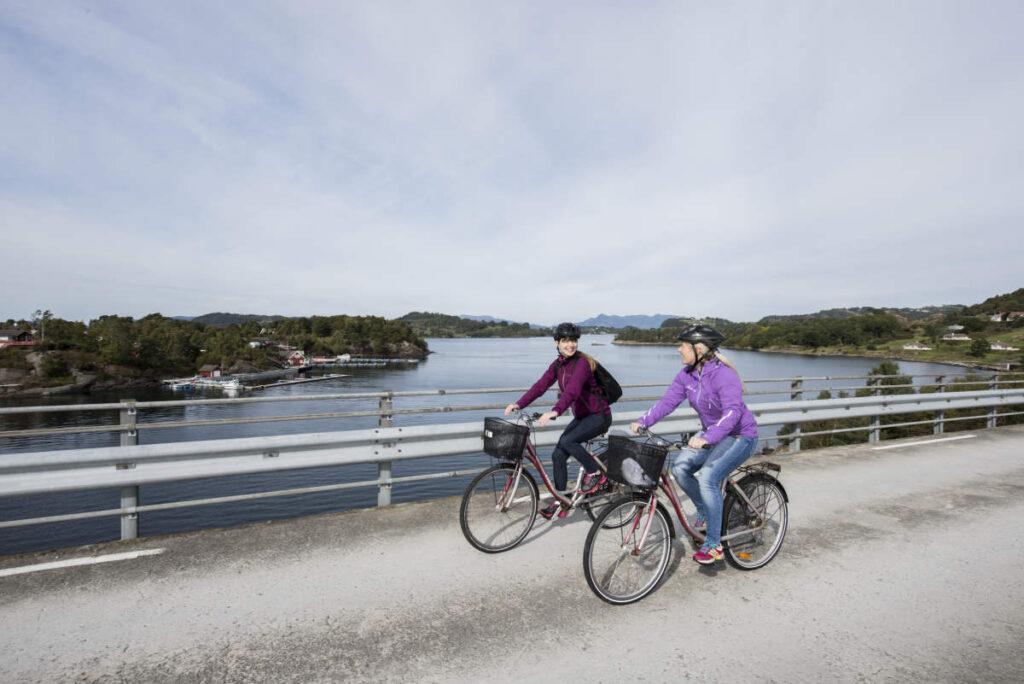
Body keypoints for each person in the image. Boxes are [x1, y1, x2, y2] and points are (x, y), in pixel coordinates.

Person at [630, 324, 758, 564]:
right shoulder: (686, 375)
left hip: (741, 435)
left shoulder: (723, 375)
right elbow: (668, 402)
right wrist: (643, 420)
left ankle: (714, 545)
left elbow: (733, 412)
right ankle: (705, 508)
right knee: (679, 469)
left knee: (708, 478)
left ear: (698, 349)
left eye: (683, 346)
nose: (679, 350)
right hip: (712, 433)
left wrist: (707, 438)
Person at [505, 322, 612, 519]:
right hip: (582, 417)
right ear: (557, 343)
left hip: (599, 416)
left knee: (568, 441)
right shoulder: (558, 365)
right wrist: (519, 404)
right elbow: (540, 386)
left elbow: (572, 390)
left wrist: (556, 411)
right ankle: (561, 499)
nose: (570, 344)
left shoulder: (582, 364)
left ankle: (596, 474)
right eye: (565, 341)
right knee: (557, 455)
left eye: (573, 340)